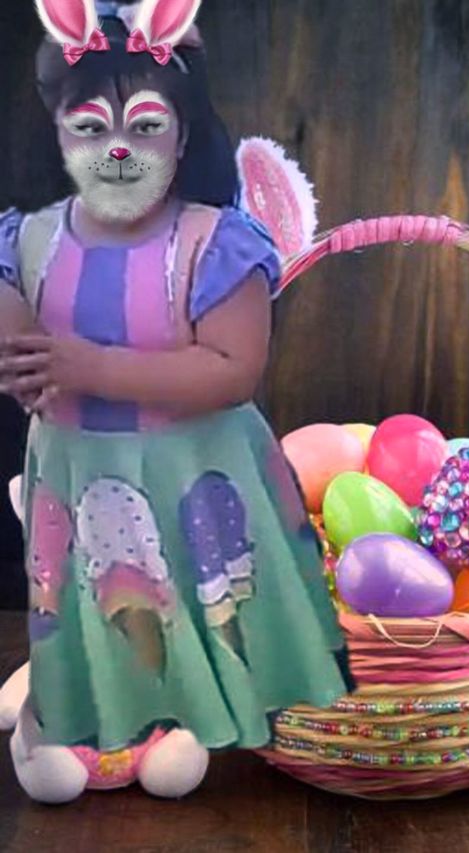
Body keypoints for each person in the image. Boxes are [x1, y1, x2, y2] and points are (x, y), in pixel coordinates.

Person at [0, 0, 351, 803]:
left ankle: (182, 720)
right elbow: (18, 343)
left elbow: (231, 370)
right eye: (90, 127)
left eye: (147, 126)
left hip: (191, 471)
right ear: (58, 136)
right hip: (79, 472)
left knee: (194, 600)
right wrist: (22, 363)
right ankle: (78, 713)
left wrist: (85, 364)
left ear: (184, 136)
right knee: (94, 602)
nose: (118, 148)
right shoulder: (26, 240)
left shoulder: (212, 242)